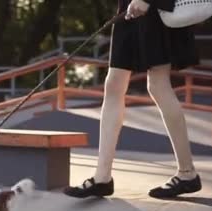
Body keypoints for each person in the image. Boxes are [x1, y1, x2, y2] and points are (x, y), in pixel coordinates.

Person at [64, 0, 203, 199]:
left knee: (158, 84)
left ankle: (187, 173)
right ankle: (102, 177)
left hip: (153, 10)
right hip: (129, 8)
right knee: (114, 84)